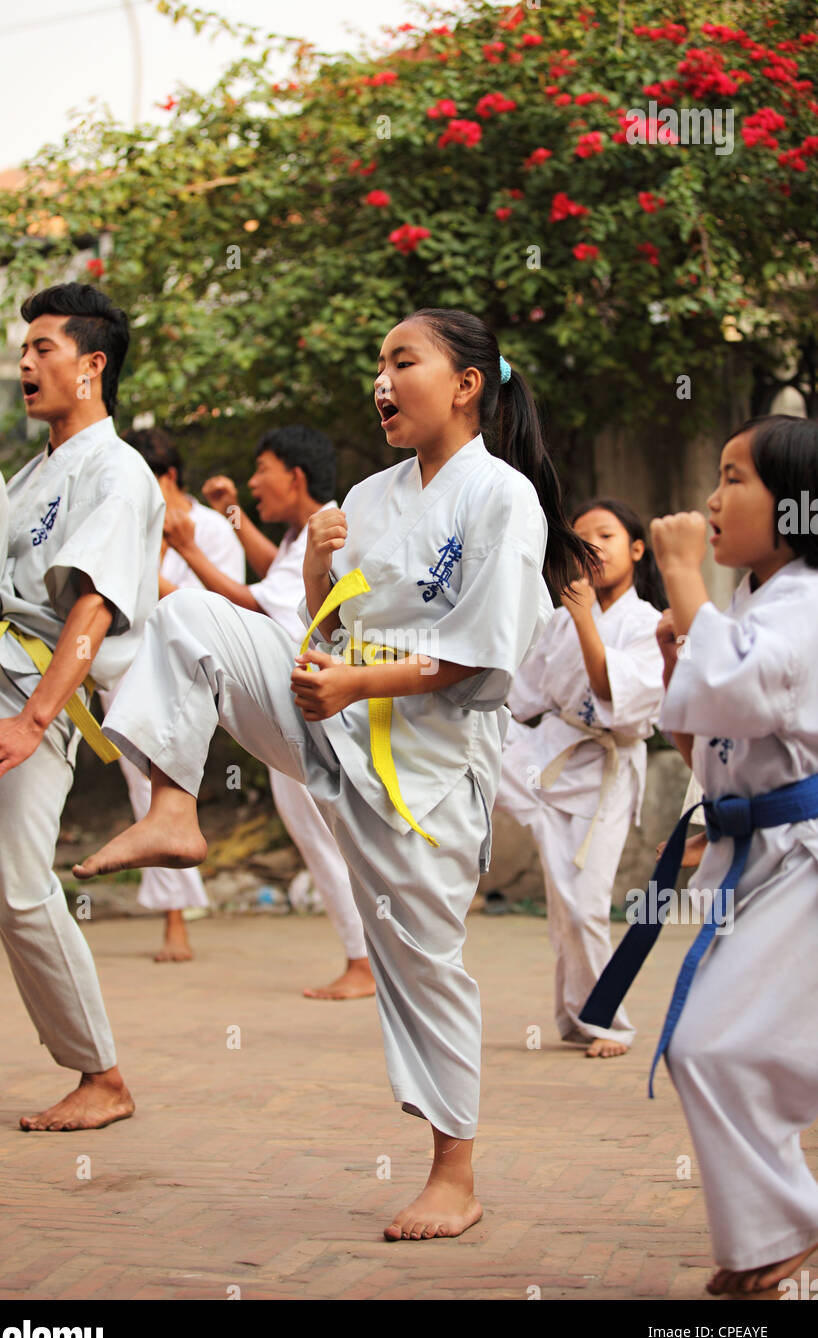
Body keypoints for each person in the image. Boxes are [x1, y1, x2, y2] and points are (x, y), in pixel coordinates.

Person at [72, 306, 595, 1240]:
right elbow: (330, 632)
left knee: (420, 965)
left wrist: (356, 681)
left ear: (467, 383)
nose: (382, 381)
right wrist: (315, 578)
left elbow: (482, 657)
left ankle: (453, 1174)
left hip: (429, 765)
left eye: (404, 361)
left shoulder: (501, 495)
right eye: (378, 364)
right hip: (337, 712)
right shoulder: (375, 492)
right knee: (189, 621)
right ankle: (174, 806)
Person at [584, 415, 818, 1298]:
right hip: (756, 862)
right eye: (716, 477)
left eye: (736, 479)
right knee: (715, 1047)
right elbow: (710, 731)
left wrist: (681, 575)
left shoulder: (811, 600)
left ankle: (780, 1242)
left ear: (796, 504)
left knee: (716, 1048)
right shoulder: (760, 604)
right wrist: (692, 647)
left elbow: (737, 688)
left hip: (802, 865)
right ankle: (771, 1242)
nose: (713, 500)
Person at [0, 282, 164, 1131]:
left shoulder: (118, 471)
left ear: (93, 365)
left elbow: (96, 605)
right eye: (24, 348)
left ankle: (102, 1078)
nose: (26, 362)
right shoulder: (33, 472)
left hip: (25, 686)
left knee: (18, 888)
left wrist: (34, 718)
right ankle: (97, 1072)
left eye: (45, 348)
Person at [163, 425, 374, 999]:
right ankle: (365, 956)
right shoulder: (303, 533)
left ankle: (363, 961)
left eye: (261, 470)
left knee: (325, 834)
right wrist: (231, 513)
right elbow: (273, 571)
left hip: (319, 705)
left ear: (295, 476)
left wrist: (183, 552)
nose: (254, 483)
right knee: (323, 833)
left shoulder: (331, 529)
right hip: (311, 701)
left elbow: (253, 598)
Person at [496, 499, 666, 1058]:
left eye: (607, 535)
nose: (592, 547)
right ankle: (576, 1018)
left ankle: (608, 1021)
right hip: (553, 756)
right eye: (583, 538)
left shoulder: (647, 625)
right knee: (563, 904)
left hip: (607, 772)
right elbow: (523, 696)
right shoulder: (561, 616)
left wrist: (584, 617)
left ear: (637, 550)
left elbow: (614, 695)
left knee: (586, 902)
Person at [99, 426, 245, 963]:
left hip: (192, 669)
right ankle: (175, 921)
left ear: (170, 477)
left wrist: (156, 569)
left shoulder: (210, 529)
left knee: (174, 783)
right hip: (125, 666)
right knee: (146, 793)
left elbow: (230, 609)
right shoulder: (125, 528)